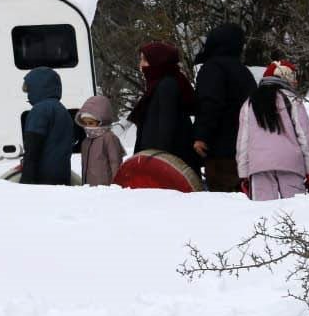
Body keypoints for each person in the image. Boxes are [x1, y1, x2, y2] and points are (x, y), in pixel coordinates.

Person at [236, 60, 309, 201]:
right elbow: (305, 138)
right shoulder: (292, 100)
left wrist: (243, 174)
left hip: (258, 165)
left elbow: (243, 142)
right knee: (295, 209)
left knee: (263, 211)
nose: (295, 81)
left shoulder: (249, 103)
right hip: (291, 163)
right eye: (293, 76)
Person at [192, 23, 257, 192]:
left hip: (220, 150)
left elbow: (210, 103)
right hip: (246, 148)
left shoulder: (213, 68)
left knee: (223, 199)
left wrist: (201, 136)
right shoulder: (244, 72)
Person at [129, 41, 200, 172]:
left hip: (169, 162)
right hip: (160, 159)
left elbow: (166, 128)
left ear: (157, 62)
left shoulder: (167, 85)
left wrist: (158, 161)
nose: (141, 65)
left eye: (145, 60)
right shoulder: (158, 85)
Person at [20, 67, 75, 185]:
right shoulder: (62, 110)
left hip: (43, 180)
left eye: (29, 90)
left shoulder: (40, 110)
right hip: (62, 175)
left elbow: (33, 148)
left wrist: (26, 180)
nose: (28, 95)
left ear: (37, 88)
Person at [77, 94, 125, 186]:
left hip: (105, 188)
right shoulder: (86, 142)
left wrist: (116, 185)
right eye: (85, 123)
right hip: (89, 187)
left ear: (101, 120)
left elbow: (116, 163)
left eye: (91, 123)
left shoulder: (109, 138)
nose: (87, 126)